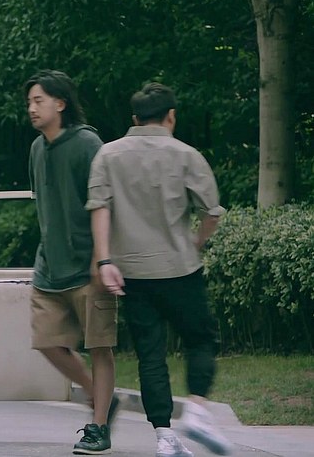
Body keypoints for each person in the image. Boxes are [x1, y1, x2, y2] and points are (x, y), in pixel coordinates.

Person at [86, 82, 232, 457]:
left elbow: (99, 207)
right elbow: (211, 213)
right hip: (180, 268)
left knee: (151, 356)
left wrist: (105, 261)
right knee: (200, 340)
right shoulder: (186, 155)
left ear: (135, 118)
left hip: (132, 273)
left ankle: (165, 437)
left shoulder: (107, 155)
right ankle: (196, 410)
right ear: (171, 116)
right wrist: (195, 242)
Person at [25, 70, 119, 455]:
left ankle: (99, 426)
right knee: (46, 342)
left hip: (89, 266)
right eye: (30, 102)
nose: (32, 108)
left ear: (60, 103)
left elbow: (107, 203)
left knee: (100, 347)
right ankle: (99, 397)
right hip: (49, 267)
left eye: (39, 100)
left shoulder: (87, 144)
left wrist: (103, 258)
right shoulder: (36, 149)